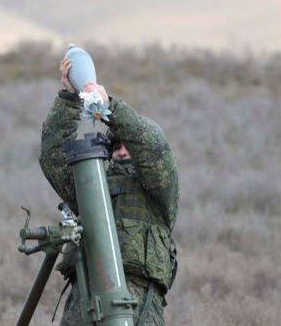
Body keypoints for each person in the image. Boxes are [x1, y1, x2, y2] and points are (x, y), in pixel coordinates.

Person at [39, 57, 179, 326]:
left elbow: (151, 145)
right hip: (84, 299)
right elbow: (53, 158)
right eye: (116, 147)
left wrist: (110, 108)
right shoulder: (93, 185)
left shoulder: (158, 187)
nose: (122, 151)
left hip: (137, 305)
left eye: (129, 147)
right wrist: (70, 99)